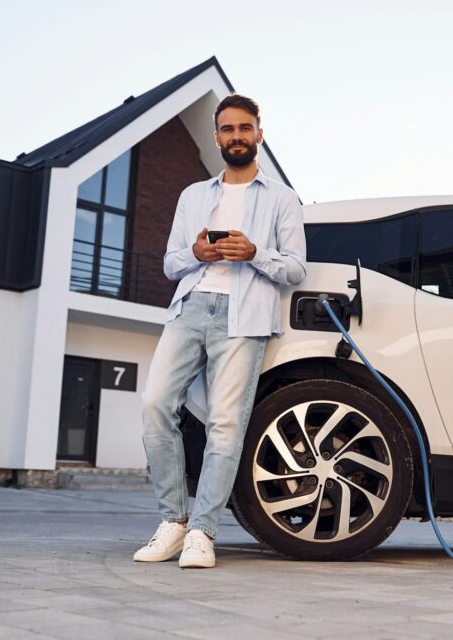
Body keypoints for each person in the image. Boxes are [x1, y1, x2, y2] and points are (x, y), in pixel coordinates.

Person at [133, 94, 306, 568]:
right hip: (189, 307)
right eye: (227, 129)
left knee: (225, 425)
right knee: (154, 405)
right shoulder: (193, 195)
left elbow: (295, 270)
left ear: (259, 134)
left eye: (244, 128)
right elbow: (170, 263)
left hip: (244, 315)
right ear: (217, 137)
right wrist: (198, 254)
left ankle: (202, 532)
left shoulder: (283, 198)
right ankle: (173, 521)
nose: (236, 136)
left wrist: (254, 253)